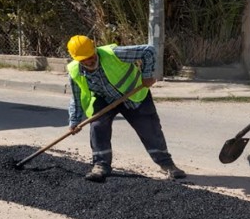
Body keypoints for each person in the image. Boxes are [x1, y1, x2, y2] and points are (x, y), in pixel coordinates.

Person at [66, 35, 186, 182]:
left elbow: (148, 51)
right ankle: (100, 165)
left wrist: (147, 75)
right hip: (104, 98)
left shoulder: (114, 54)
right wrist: (74, 121)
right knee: (98, 126)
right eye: (83, 59)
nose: (88, 61)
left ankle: (167, 165)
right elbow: (76, 97)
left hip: (133, 94)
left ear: (94, 49)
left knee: (149, 129)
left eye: (90, 56)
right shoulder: (74, 70)